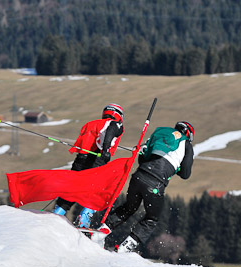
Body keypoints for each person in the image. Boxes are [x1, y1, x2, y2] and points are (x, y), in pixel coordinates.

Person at [99, 121, 195, 253]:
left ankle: (101, 232)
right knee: (151, 218)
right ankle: (125, 248)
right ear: (189, 134)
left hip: (138, 176)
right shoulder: (186, 144)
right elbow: (185, 174)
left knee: (129, 207)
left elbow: (142, 158)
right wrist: (177, 167)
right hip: (155, 184)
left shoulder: (161, 133)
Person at [53, 103, 125, 228]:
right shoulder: (115, 124)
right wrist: (106, 150)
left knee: (73, 188)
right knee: (95, 190)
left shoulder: (91, 123)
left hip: (80, 160)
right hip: (97, 161)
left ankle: (57, 213)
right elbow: (110, 131)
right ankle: (84, 220)